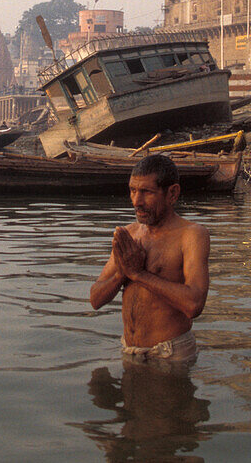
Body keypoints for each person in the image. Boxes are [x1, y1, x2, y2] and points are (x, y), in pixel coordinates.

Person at [89, 154, 210, 362]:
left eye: (146, 192)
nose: (137, 201)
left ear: (172, 193)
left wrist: (138, 274)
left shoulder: (191, 235)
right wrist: (121, 274)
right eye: (133, 191)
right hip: (129, 350)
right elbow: (95, 299)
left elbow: (194, 304)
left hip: (170, 354)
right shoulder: (129, 235)